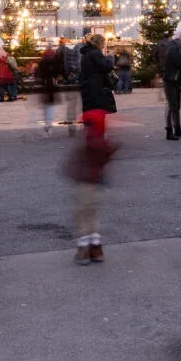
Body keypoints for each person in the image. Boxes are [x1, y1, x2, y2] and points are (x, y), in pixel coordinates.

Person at [64, 108, 119, 265]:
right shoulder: (99, 138)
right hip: (98, 183)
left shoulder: (91, 139)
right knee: (92, 214)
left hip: (85, 182)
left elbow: (86, 159)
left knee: (81, 213)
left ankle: (83, 249)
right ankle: (96, 248)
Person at [161, 31, 181, 140]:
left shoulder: (178, 48)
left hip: (175, 80)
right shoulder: (174, 48)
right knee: (172, 105)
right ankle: (169, 131)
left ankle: (177, 129)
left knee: (176, 106)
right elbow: (180, 63)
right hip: (170, 80)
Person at [79, 34, 117, 116]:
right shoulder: (95, 53)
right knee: (98, 110)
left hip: (87, 85)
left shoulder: (86, 53)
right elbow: (106, 67)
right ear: (99, 43)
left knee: (91, 110)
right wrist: (110, 57)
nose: (103, 46)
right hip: (96, 86)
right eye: (103, 43)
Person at [37, 44, 60, 131]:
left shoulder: (42, 60)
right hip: (52, 84)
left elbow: (39, 73)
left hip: (45, 84)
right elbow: (57, 71)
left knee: (46, 105)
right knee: (50, 105)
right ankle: (49, 122)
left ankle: (47, 121)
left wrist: (41, 80)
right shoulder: (54, 60)